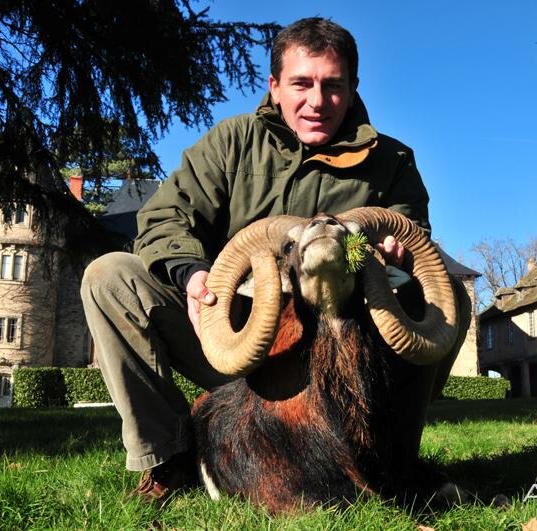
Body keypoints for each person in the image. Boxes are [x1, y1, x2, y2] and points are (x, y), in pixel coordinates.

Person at [81, 17, 458, 504]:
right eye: (301, 83)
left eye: (332, 85)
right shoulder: (232, 142)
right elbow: (164, 218)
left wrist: (396, 253)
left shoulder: (392, 161)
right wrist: (192, 275)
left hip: (340, 354)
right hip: (241, 339)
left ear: (353, 87)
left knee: (444, 297)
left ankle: (395, 458)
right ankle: (168, 459)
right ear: (275, 87)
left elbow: (413, 236)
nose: (317, 101)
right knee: (110, 276)